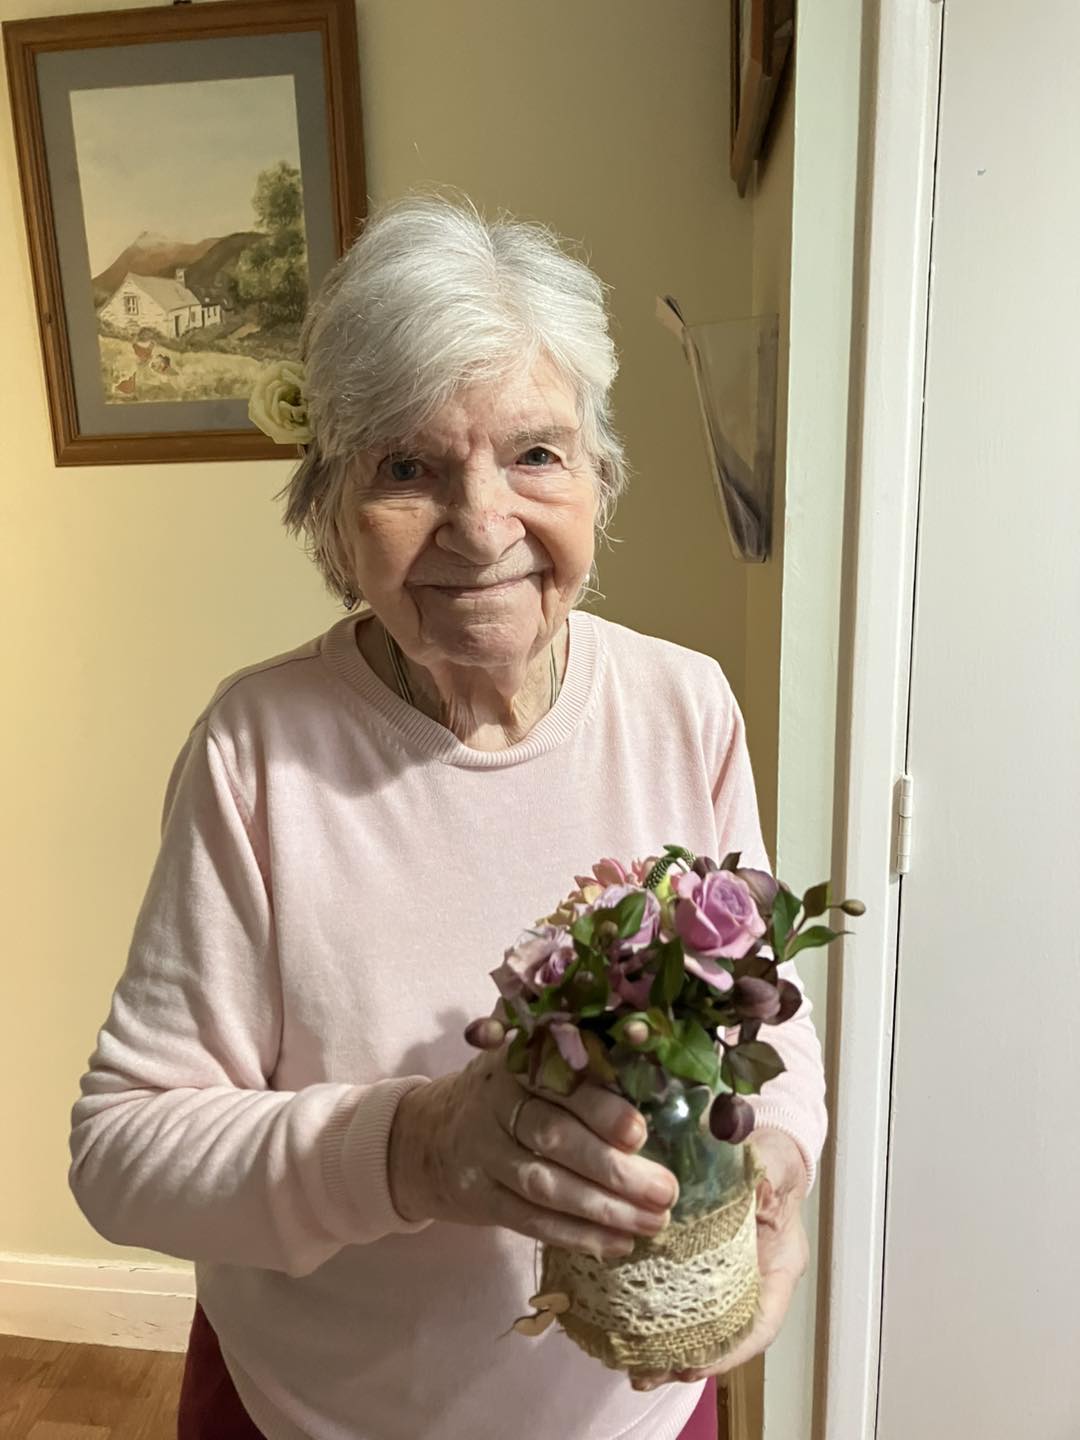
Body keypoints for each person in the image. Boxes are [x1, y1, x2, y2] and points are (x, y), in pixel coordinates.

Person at [69, 196, 826, 1440]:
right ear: (330, 514)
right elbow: (125, 1151)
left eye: (536, 454)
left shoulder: (684, 705)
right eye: (407, 468)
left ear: (601, 478)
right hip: (317, 1416)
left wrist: (776, 1177)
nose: (483, 528)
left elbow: (766, 1029)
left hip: (636, 1413)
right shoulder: (257, 750)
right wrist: (420, 1149)